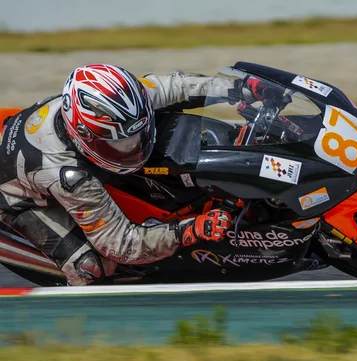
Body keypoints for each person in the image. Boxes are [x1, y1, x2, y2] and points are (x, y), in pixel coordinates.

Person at [0, 63, 269, 286]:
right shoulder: (68, 175)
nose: (133, 148)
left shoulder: (124, 102)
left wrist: (242, 88)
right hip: (16, 197)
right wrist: (189, 230)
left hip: (36, 143)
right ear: (83, 136)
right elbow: (118, 242)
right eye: (119, 144)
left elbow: (177, 87)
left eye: (136, 137)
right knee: (93, 268)